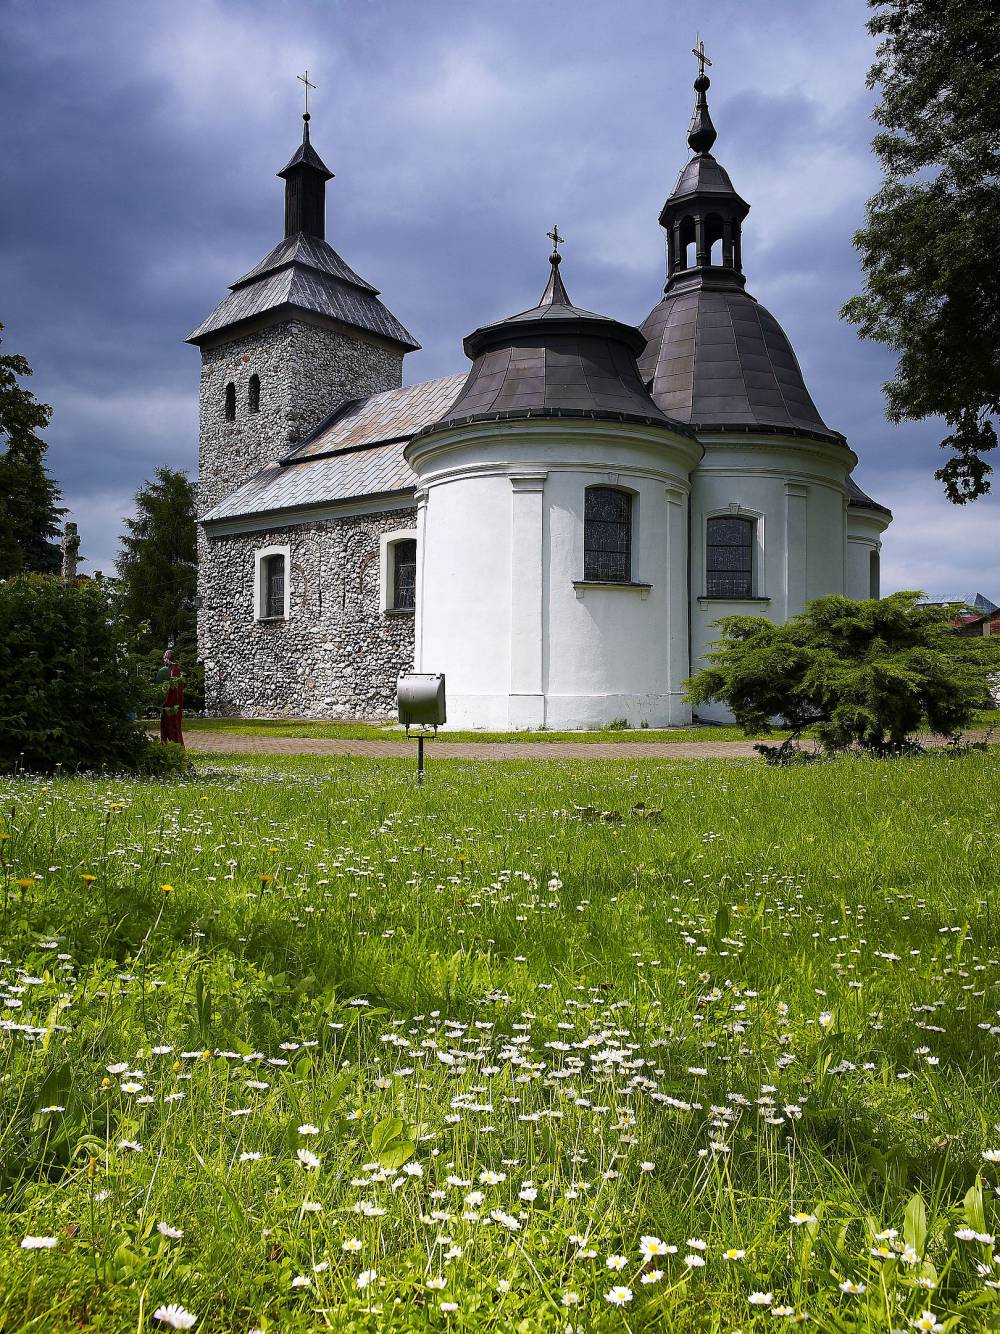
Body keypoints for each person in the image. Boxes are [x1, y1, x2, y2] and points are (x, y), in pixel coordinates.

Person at [156, 649, 185, 747]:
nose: (164, 660)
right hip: (171, 705)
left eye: (165, 657)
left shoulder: (170, 670)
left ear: (167, 658)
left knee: (170, 726)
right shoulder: (174, 670)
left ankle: (171, 747)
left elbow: (167, 688)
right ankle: (169, 746)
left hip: (170, 705)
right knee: (170, 726)